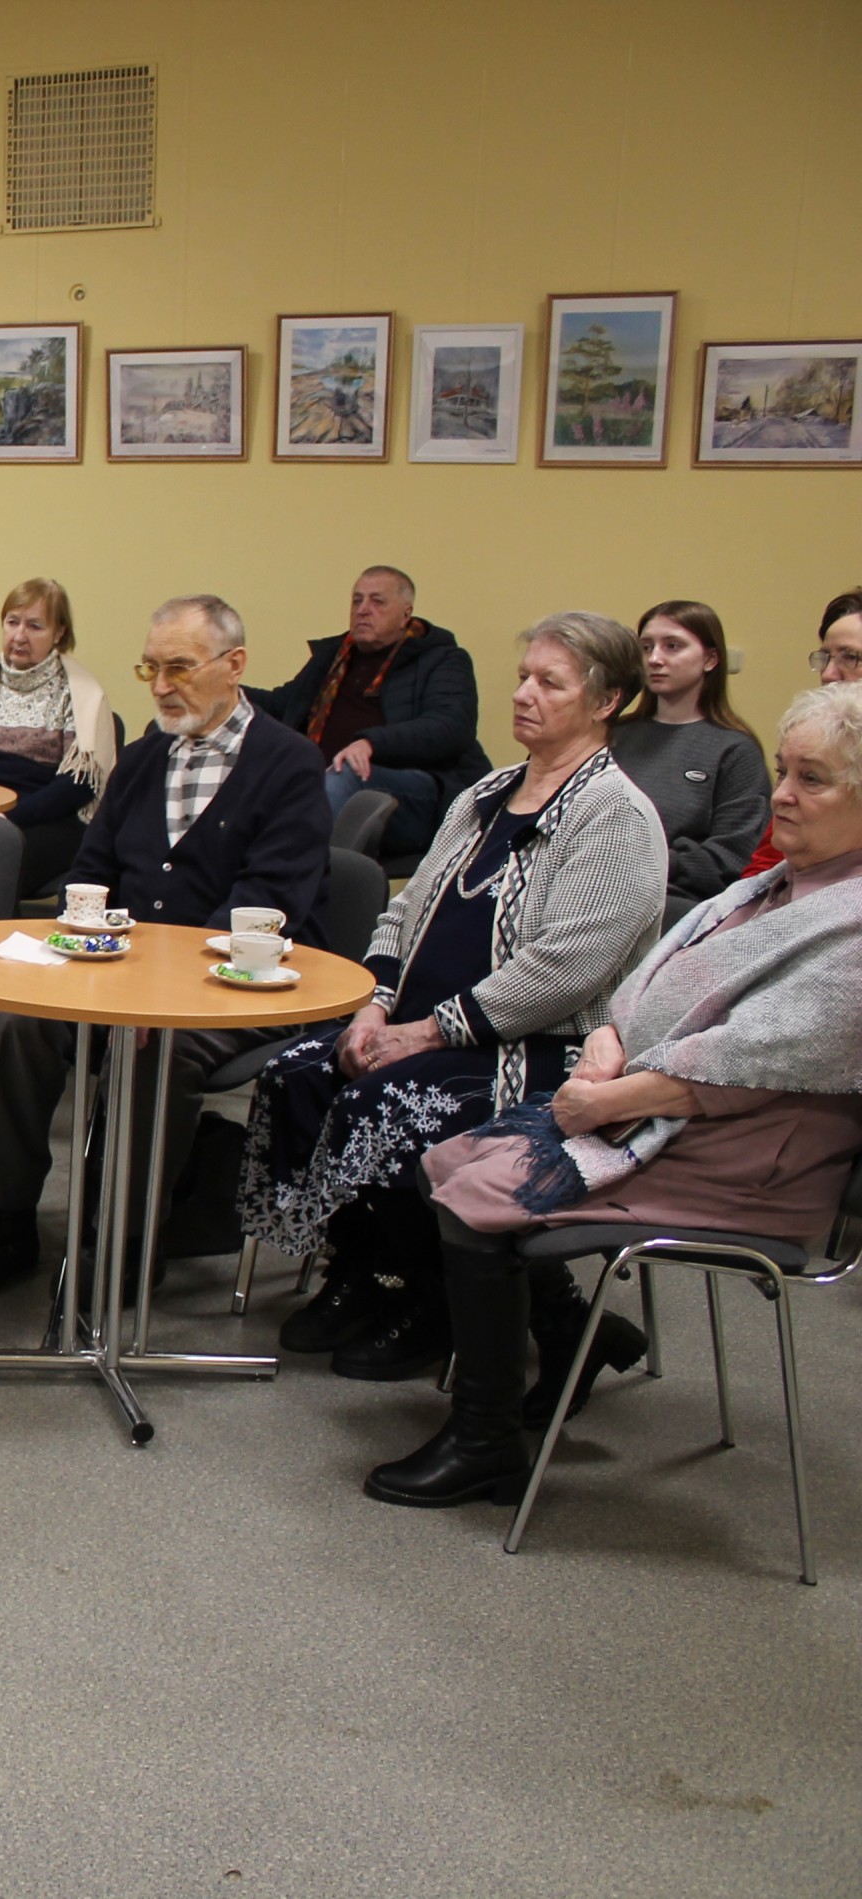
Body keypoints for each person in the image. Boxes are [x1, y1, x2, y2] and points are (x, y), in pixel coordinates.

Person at [370, 683, 862, 1508]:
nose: (781, 793)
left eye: (811, 779)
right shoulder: (778, 884)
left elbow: (749, 1060)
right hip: (664, 1108)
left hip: (750, 1157)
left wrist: (603, 1100)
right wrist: (606, 1045)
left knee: (475, 1192)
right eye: (783, 770)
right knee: (448, 1160)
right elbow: (640, 988)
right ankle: (571, 1335)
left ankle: (486, 1439)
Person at [245, 612, 667, 1382]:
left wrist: (424, 1034)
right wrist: (374, 1005)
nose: (523, 694)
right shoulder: (486, 793)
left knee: (387, 1100)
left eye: (549, 683)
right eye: (524, 676)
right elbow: (404, 910)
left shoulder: (618, 815)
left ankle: (433, 1293)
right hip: (416, 1024)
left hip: (536, 1048)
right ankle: (362, 1265)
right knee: (296, 1073)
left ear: (606, 702)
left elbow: (564, 969)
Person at [0, 595, 333, 1297]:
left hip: (238, 986)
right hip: (120, 973)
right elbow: (90, 872)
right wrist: (87, 951)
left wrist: (159, 994)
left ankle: (124, 1238)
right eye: (150, 668)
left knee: (161, 1051)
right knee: (17, 1022)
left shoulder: (289, 763)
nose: (161, 685)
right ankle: (4, 1219)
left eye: (180, 667)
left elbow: (266, 905)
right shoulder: (144, 758)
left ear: (235, 664)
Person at [251, 565, 489, 857]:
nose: (363, 610)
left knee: (345, 774)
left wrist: (372, 743)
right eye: (357, 600)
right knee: (255, 776)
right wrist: (223, 691)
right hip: (325, 784)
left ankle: (293, 873)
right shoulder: (334, 658)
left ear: (406, 613)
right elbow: (283, 706)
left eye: (377, 601)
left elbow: (451, 727)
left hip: (417, 793)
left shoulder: (442, 659)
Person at [0, 577, 118, 901]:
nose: (19, 636)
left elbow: (79, 784)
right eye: (12, 622)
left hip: (46, 816)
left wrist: (9, 817)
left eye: (35, 626)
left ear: (59, 633)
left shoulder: (80, 693)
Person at [605, 600, 769, 919]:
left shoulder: (735, 749)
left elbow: (732, 858)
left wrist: (646, 860)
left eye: (672, 646)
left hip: (676, 906)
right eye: (646, 647)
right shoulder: (612, 735)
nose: (655, 659)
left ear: (710, 659)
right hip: (594, 884)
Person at [741, 586, 862, 875]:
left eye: (850, 657)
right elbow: (765, 866)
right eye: (825, 657)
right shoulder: (815, 744)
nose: (829, 674)